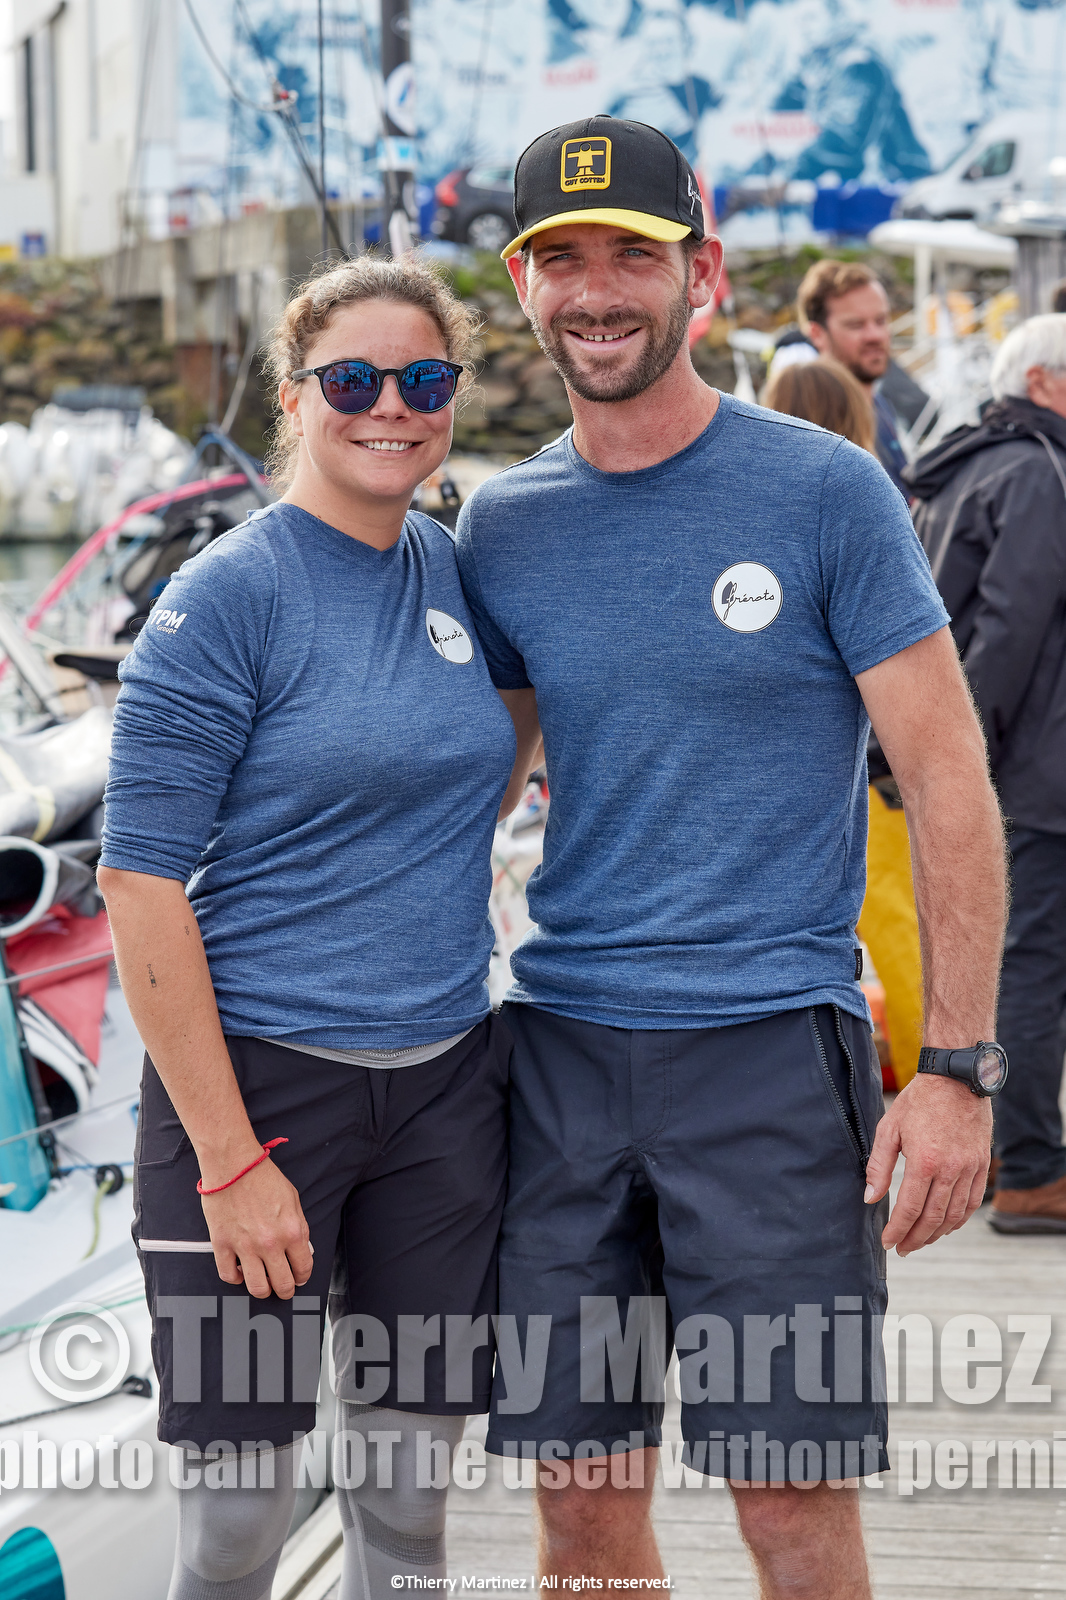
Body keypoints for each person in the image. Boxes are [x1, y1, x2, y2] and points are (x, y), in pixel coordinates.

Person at [455, 114, 1007, 1598]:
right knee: (577, 1509)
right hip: (561, 1058)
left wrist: (957, 1072)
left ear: (697, 273)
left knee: (787, 1513)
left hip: (770, 1058)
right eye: (554, 258)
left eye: (627, 254)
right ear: (518, 286)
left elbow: (949, 782)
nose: (592, 290)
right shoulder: (498, 526)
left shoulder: (824, 493)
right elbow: (459, 791)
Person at [98, 256, 530, 1600]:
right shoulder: (229, 595)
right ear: (297, 399)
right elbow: (138, 883)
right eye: (353, 380)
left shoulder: (456, 570)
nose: (389, 406)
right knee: (237, 1526)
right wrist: (230, 1163)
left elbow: (497, 748)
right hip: (259, 1094)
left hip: (445, 1092)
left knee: (406, 1520)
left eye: (423, 379)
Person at [905, 312, 1066, 1233]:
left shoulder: (973, 459)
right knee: (1034, 972)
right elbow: (1007, 630)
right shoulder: (1039, 472)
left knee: (1022, 967)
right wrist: (967, 762)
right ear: (1043, 381)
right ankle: (1033, 1168)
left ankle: (1022, 1151)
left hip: (1001, 763)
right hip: (1033, 772)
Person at [764, 358, 924, 1088]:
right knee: (895, 929)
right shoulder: (867, 506)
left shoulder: (757, 511)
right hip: (868, 771)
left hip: (785, 779)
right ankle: (929, 1074)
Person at [795, 257, 911, 496]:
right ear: (817, 334)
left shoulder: (879, 404)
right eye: (856, 325)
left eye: (881, 321)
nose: (874, 335)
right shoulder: (816, 426)